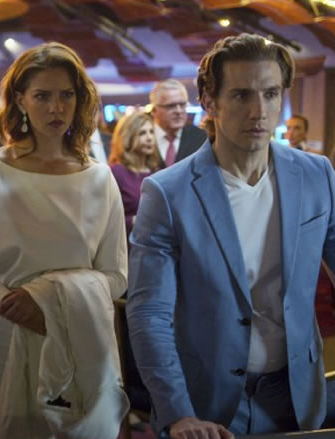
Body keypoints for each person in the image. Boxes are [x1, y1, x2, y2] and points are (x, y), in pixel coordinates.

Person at [127, 33, 335, 438]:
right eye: (241, 95)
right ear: (209, 101)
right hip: (207, 399)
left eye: (270, 94)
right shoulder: (168, 193)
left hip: (297, 391)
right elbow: (149, 313)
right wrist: (178, 412)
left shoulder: (316, 175)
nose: (259, 111)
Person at [0, 42, 129, 439]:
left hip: (78, 342)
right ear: (20, 100)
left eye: (67, 95)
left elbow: (116, 275)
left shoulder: (98, 179)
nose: (56, 108)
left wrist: (48, 300)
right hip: (1, 337)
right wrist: (8, 303)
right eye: (42, 96)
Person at [108, 111, 162, 237]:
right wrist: (134, 221)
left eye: (151, 132)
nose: (149, 138)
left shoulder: (157, 172)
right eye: (142, 133)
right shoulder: (117, 173)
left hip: (154, 243)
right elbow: (106, 218)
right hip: (128, 243)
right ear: (128, 137)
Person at [150, 79, 208, 167]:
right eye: (171, 106)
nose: (178, 111)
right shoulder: (138, 139)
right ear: (154, 110)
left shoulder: (201, 138)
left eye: (182, 105)